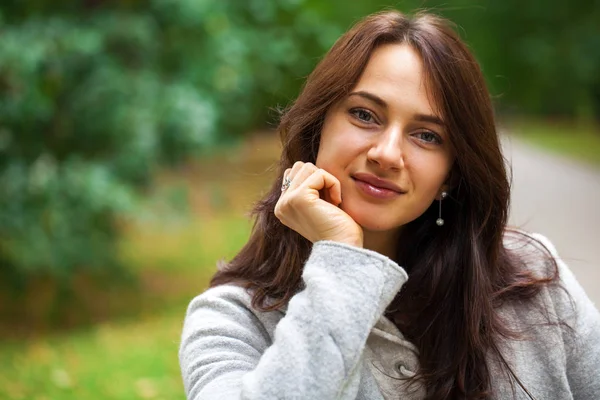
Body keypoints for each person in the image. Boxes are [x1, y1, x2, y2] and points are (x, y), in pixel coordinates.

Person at [179, 10, 600, 400]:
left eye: (427, 136)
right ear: (317, 129)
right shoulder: (232, 323)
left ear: (450, 176)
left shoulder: (537, 282)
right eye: (365, 115)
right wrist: (342, 255)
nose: (387, 153)